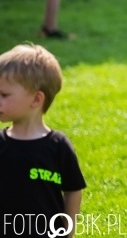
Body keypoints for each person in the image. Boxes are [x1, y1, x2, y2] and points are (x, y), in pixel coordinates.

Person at [0, 43, 86, 237]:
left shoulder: (58, 147)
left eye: (4, 95)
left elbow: (73, 190)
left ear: (36, 99)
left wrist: (68, 232)